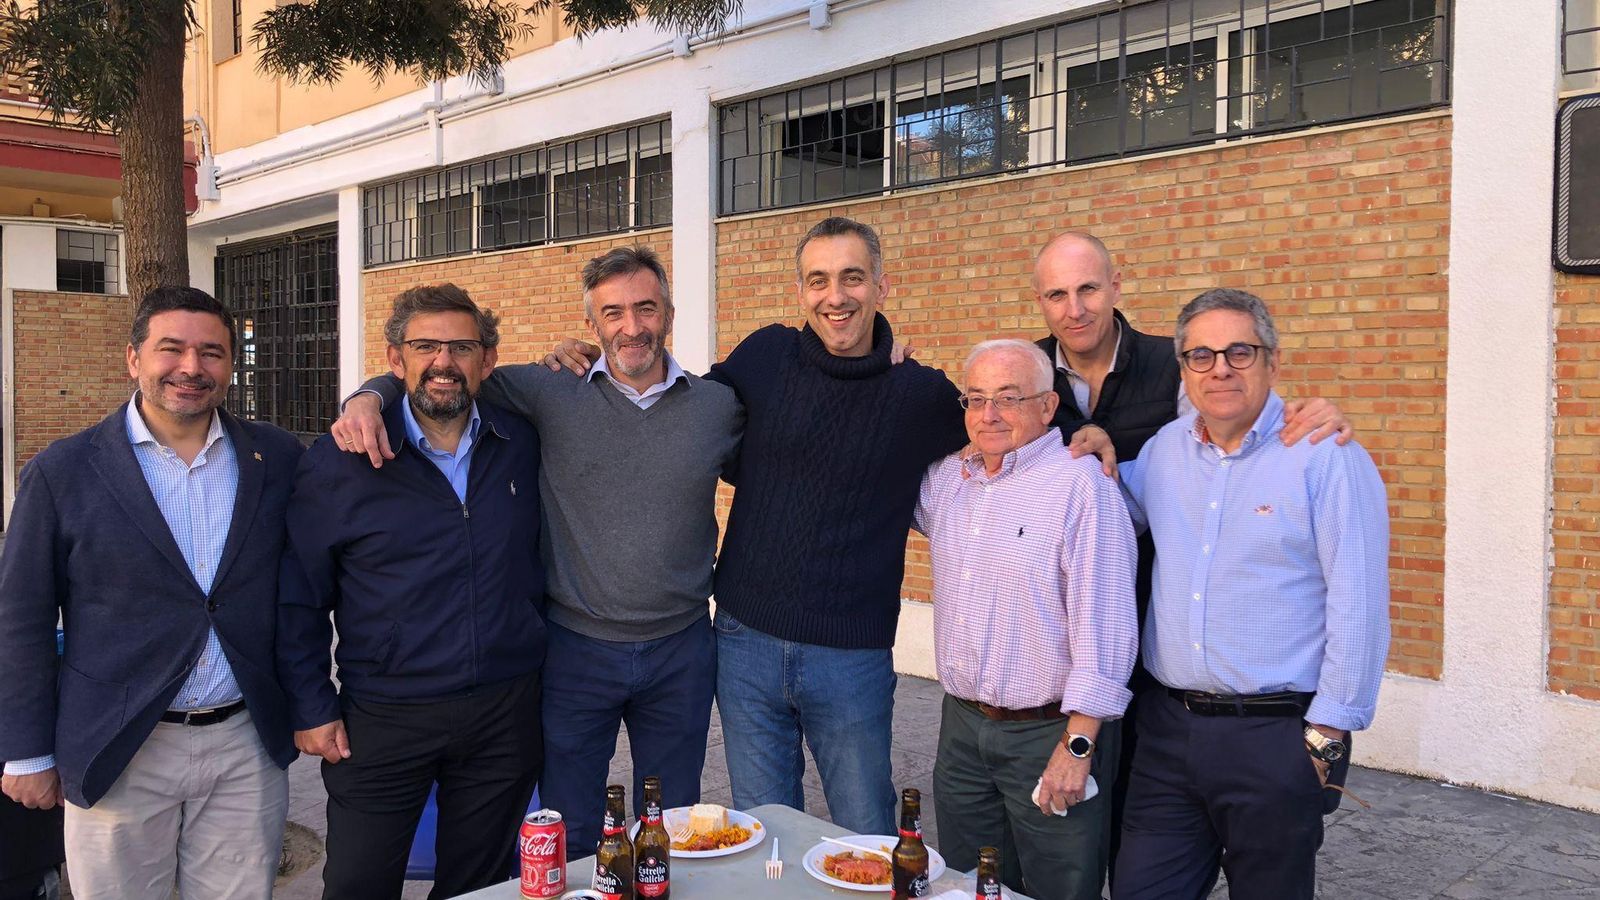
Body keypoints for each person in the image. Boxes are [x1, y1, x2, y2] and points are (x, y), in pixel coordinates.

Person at [328, 249, 742, 859]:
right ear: (593, 324)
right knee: (571, 824)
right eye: (613, 313)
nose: (631, 327)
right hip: (575, 651)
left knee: (674, 820)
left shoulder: (717, 407)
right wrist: (368, 395)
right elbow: (444, 373)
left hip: (680, 650)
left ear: (670, 314)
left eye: (646, 308)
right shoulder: (550, 388)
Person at [1029, 231, 1353, 880]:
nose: (1075, 308)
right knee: (1129, 858)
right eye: (1057, 294)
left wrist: (1326, 736)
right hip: (1100, 664)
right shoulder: (1025, 374)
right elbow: (1112, 501)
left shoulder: (1177, 369)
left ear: (1116, 286)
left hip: (1222, 690)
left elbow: (1229, 421)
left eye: (1088, 288)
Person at [0, 287, 302, 900]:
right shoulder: (63, 471)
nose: (192, 367)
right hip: (119, 745)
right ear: (133, 358)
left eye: (211, 352)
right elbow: (21, 619)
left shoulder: (276, 457)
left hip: (244, 745)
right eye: (172, 349)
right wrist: (27, 753)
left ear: (230, 364)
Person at [1111, 289, 1390, 900]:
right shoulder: (1164, 452)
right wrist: (1084, 450)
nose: (1220, 369)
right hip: (1168, 733)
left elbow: (1360, 605)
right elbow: (1100, 517)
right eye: (1201, 355)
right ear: (1184, 369)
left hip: (1275, 737)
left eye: (1239, 352)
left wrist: (1327, 735)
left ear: (1272, 360)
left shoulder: (1326, 458)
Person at [278, 284, 548, 899]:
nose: (443, 362)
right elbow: (299, 596)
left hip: (503, 712)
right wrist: (311, 704)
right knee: (357, 884)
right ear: (395, 360)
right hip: (385, 715)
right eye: (425, 346)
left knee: (477, 887)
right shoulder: (342, 460)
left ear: (488, 359)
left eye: (462, 347)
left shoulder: (520, 442)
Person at [706, 217, 967, 833]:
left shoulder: (919, 393)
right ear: (801, 291)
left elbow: (1010, 420)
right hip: (745, 642)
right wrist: (587, 365)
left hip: (850, 655)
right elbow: (678, 410)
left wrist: (1086, 430)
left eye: (852, 277)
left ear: (881, 285)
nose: (835, 296)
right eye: (818, 280)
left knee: (867, 835)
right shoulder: (764, 356)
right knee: (764, 834)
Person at [915, 339, 1137, 900]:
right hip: (963, 730)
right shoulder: (949, 481)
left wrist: (1078, 745)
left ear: (1047, 405)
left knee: (1061, 886)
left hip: (1049, 733)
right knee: (969, 883)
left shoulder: (1081, 485)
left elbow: (1106, 626)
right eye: (976, 398)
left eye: (1008, 398)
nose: (988, 414)